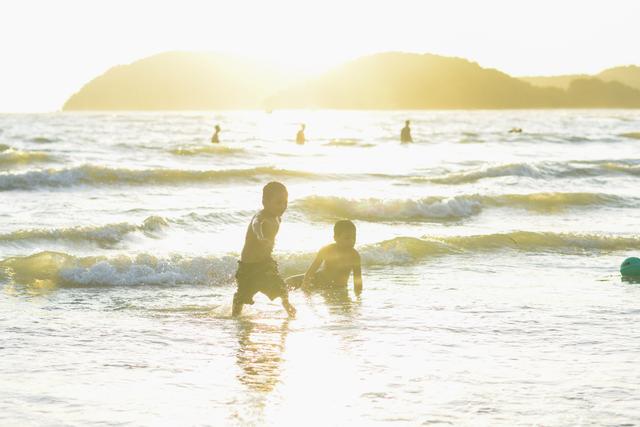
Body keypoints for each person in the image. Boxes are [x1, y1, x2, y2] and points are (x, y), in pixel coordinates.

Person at [232, 182, 296, 317]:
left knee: (281, 286)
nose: (283, 206)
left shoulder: (278, 217)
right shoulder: (260, 217)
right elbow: (256, 225)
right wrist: (260, 236)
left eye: (285, 202)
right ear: (265, 202)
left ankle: (286, 304)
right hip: (248, 266)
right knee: (243, 294)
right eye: (278, 203)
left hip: (266, 263)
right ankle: (235, 315)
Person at [286, 220, 363, 295]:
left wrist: (358, 297)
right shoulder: (327, 250)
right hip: (317, 281)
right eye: (347, 238)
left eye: (354, 237)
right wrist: (305, 285)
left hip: (338, 288)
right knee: (288, 282)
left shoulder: (354, 256)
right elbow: (312, 270)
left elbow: (357, 280)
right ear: (336, 238)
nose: (351, 241)